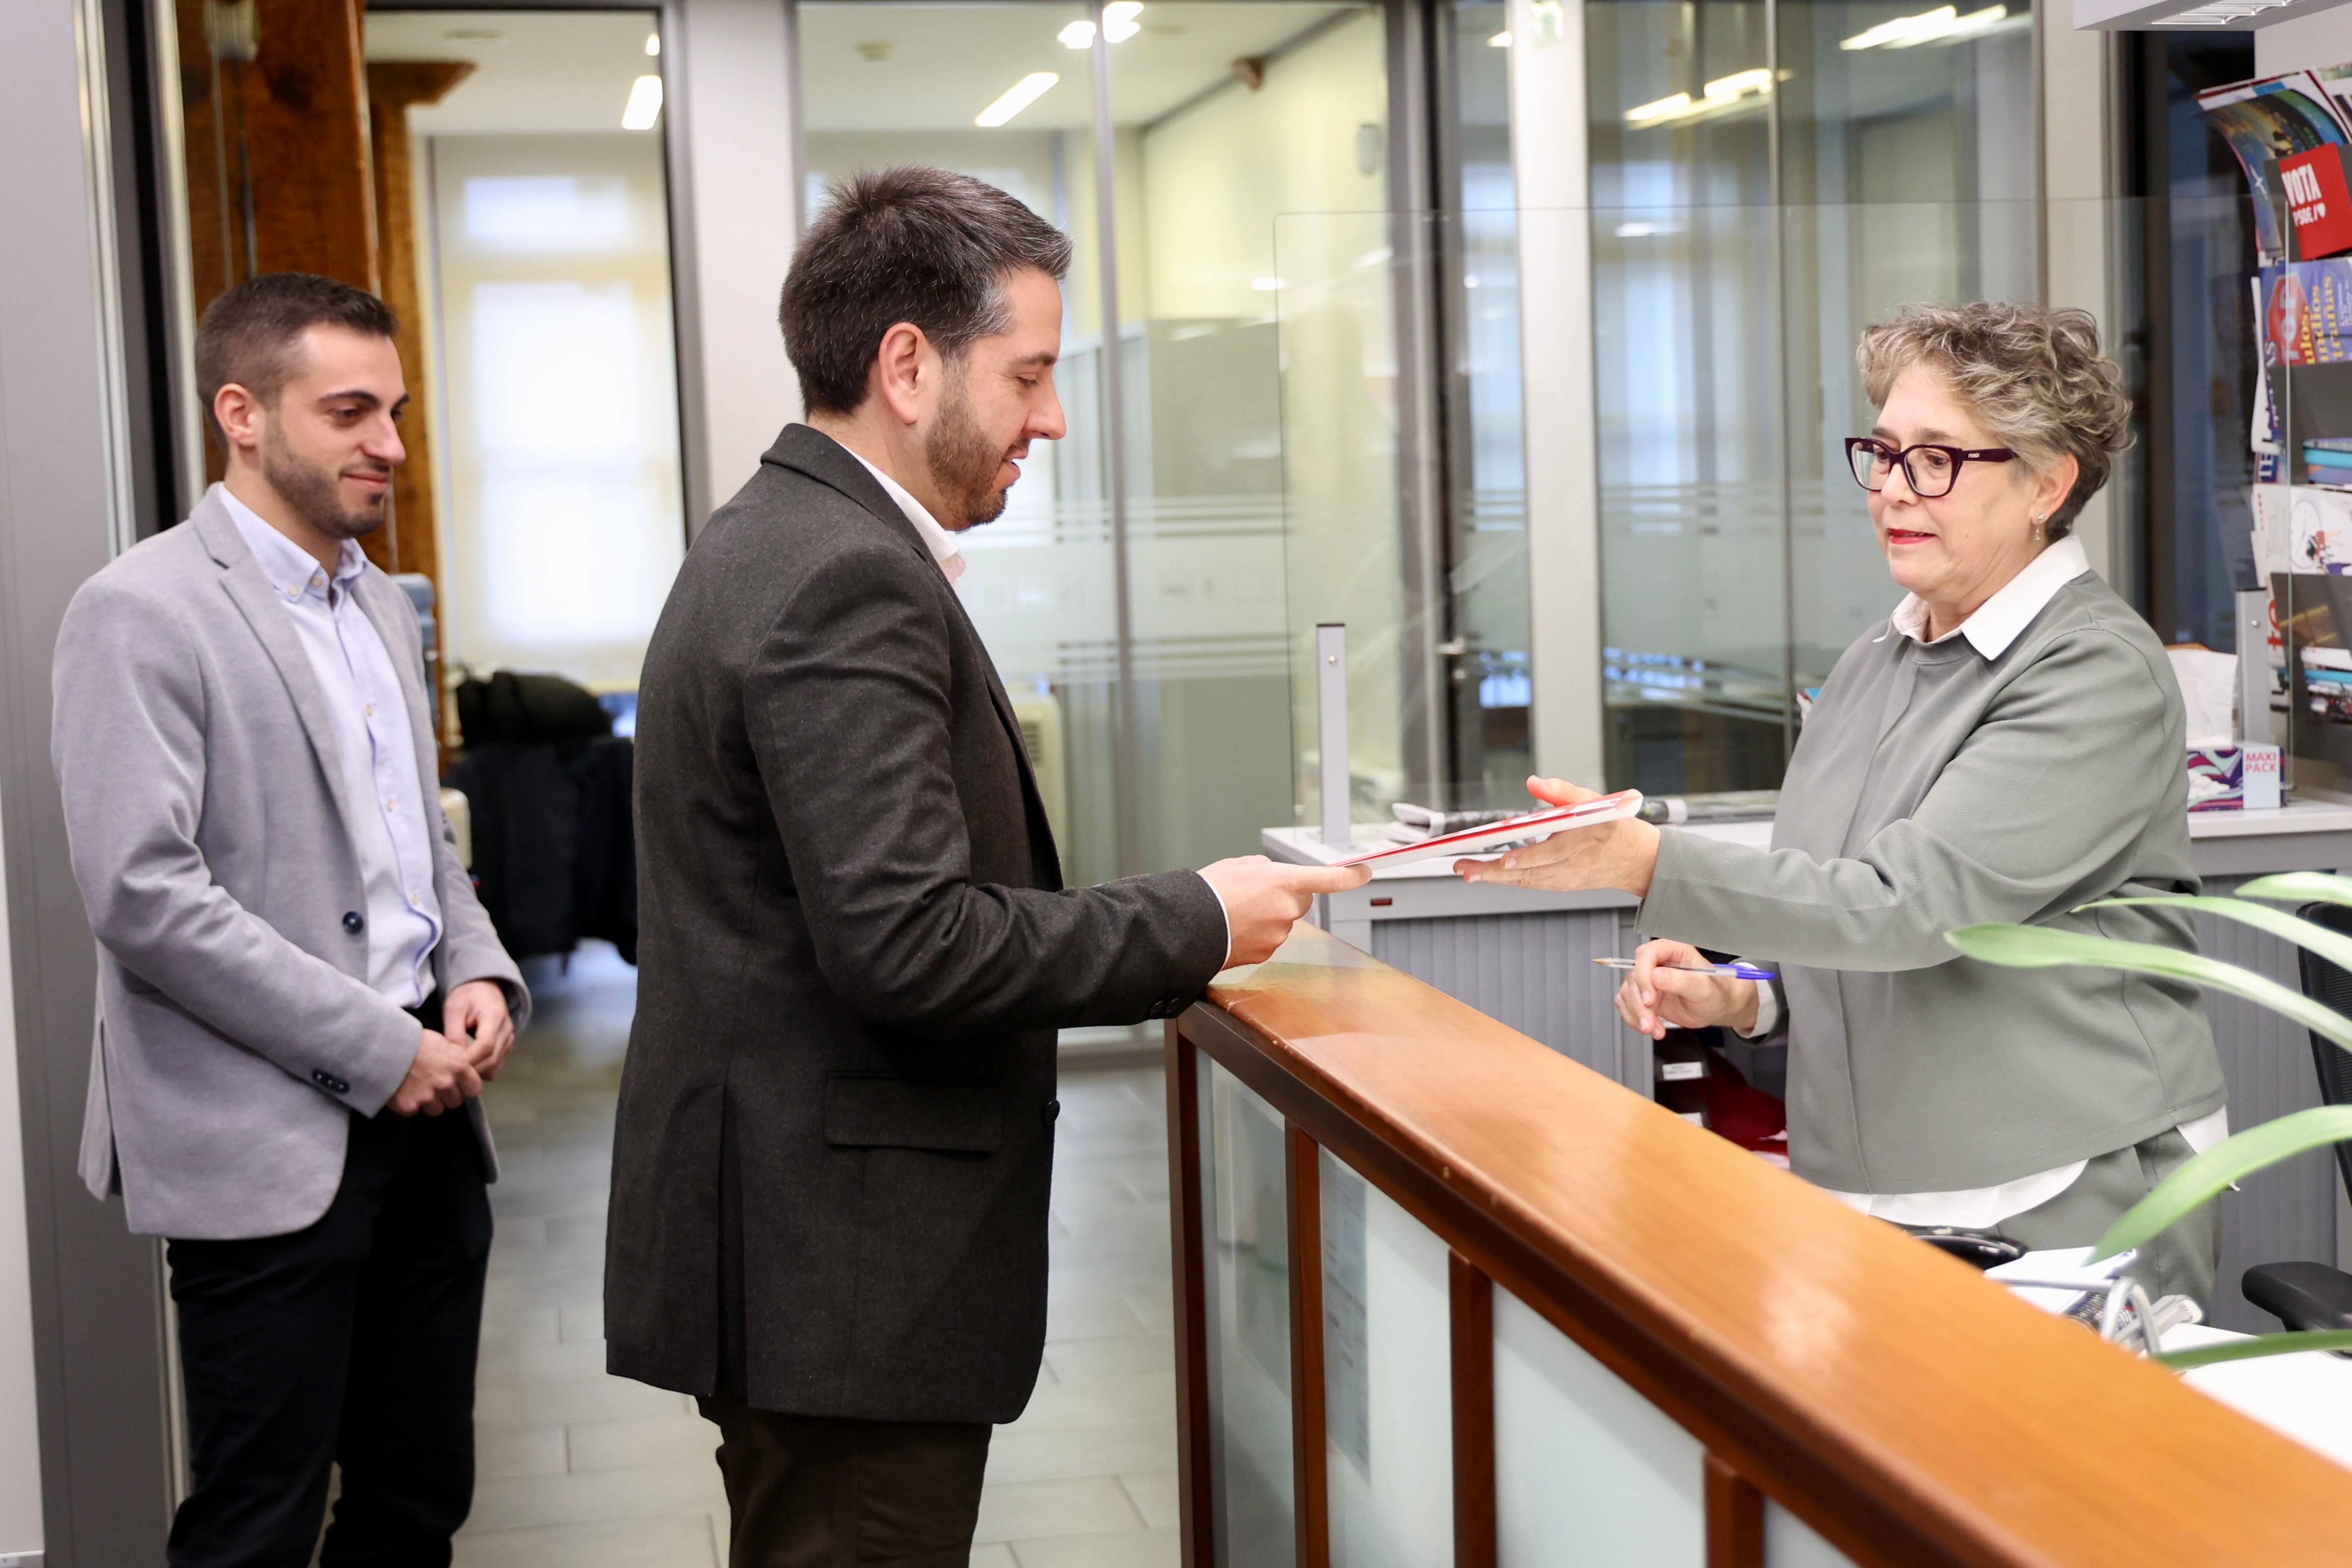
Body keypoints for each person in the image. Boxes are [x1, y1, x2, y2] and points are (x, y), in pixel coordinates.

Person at [604, 165, 1365, 1564]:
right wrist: (1195, 916)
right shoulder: (843, 573)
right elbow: (906, 942)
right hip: (839, 1276)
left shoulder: (777, 534)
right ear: (908, 365)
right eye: (1028, 374)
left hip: (795, 1258)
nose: (1052, 416)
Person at [1458, 301, 2229, 1302]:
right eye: (1882, 451)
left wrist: (1644, 863)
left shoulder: (2091, 670)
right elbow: (1834, 898)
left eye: (1936, 459)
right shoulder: (1880, 654)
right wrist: (1744, 989)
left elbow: (1909, 907)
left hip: (2057, 1195)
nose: (1892, 491)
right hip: (1870, 1195)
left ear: (2046, 482)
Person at [51, 272, 528, 1566]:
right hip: (264, 1142)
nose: (390, 443)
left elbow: (415, 834)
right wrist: (384, 1048)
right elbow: (145, 895)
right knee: (255, 1525)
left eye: (398, 409)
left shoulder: (378, 595)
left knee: (415, 1500)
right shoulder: (138, 610)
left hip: (435, 1124)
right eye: (352, 411)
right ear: (242, 414)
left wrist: (475, 971)